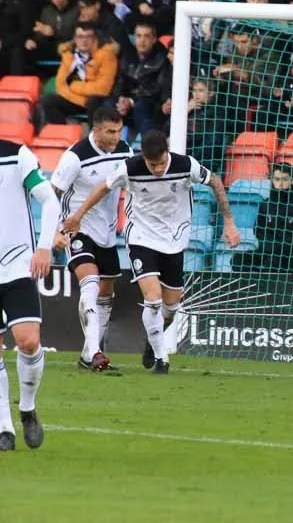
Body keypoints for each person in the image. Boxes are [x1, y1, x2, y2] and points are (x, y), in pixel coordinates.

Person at [62, 131, 240, 374]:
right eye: (151, 164)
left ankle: (151, 341)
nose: (157, 169)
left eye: (160, 163)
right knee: (153, 299)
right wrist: (78, 216)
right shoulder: (130, 168)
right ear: (143, 158)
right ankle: (161, 358)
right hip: (141, 237)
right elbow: (102, 188)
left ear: (167, 153)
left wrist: (229, 222)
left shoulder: (186, 165)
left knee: (170, 308)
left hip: (174, 240)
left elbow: (216, 181)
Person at [50, 108, 133, 372]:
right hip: (77, 229)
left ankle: (90, 353)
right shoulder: (75, 157)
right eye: (110, 131)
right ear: (95, 130)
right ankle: (95, 352)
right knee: (91, 286)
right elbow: (52, 194)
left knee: (107, 294)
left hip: (107, 234)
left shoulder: (125, 151)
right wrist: (53, 231)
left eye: (119, 131)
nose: (115, 136)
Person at [0, 139, 60, 451]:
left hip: (16, 266)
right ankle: (3, 427)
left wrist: (44, 246)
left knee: (29, 342)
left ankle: (27, 408)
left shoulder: (16, 155)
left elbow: (49, 201)